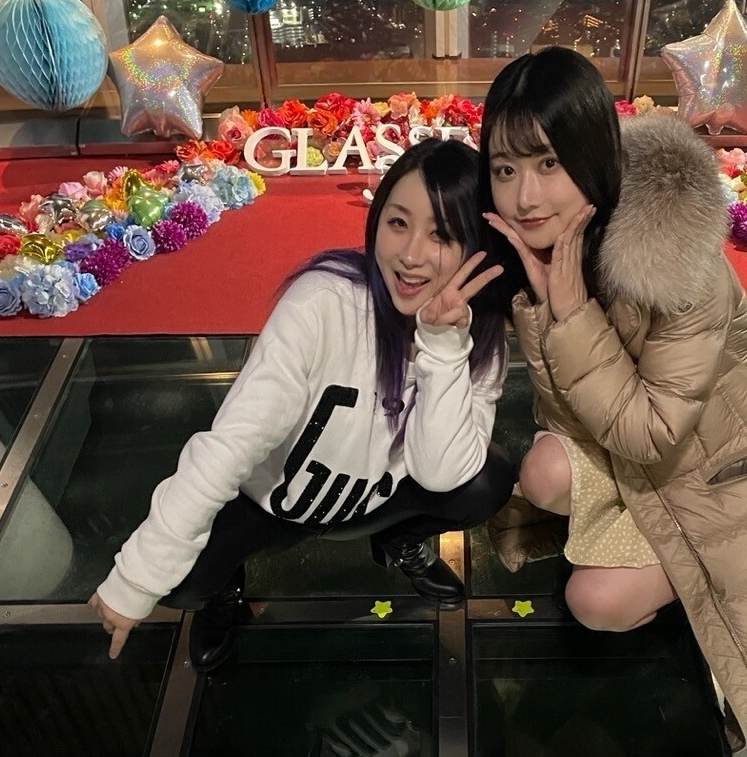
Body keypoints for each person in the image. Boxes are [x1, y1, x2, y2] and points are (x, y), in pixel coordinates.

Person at [480, 47, 747, 748]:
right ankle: (651, 548)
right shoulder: (551, 248)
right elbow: (567, 414)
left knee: (593, 600)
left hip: (732, 471)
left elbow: (650, 433)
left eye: (548, 163)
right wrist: (545, 306)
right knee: (543, 473)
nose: (524, 197)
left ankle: (688, 582)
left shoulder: (670, 254)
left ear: (590, 155)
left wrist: (570, 313)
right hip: (642, 452)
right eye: (505, 169)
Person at [89, 138, 512, 670]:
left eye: (442, 235)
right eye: (398, 223)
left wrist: (444, 346)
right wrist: (135, 579)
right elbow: (233, 442)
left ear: (475, 246)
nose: (410, 255)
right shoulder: (325, 304)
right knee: (178, 581)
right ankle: (225, 590)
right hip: (272, 505)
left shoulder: (480, 342)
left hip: (374, 499)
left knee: (487, 478)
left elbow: (442, 473)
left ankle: (398, 538)